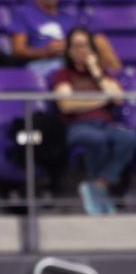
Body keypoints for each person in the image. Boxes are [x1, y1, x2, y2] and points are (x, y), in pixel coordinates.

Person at [51, 27, 136, 215]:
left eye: (85, 46)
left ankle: (98, 185)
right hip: (78, 126)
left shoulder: (102, 74)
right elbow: (67, 104)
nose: (81, 50)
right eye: (76, 46)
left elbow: (119, 98)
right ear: (69, 50)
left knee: (130, 137)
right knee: (96, 140)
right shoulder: (63, 74)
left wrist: (96, 72)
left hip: (107, 125)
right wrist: (102, 98)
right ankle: (100, 193)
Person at [12, 0, 119, 80]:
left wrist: (68, 47)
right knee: (68, 69)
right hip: (40, 65)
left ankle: (119, 82)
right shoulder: (24, 14)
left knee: (99, 41)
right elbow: (18, 50)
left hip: (68, 61)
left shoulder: (69, 19)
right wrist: (46, 52)